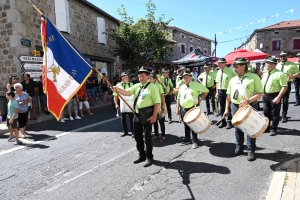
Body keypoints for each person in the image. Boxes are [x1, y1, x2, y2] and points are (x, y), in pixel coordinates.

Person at [111, 67, 160, 167]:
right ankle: (141, 155)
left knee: (147, 138)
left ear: (148, 76)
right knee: (138, 137)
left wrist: (154, 115)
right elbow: (127, 93)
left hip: (147, 115)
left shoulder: (152, 87)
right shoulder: (137, 86)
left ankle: (149, 157)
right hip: (137, 115)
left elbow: (157, 103)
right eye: (139, 76)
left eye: (143, 76)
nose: (141, 77)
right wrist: (117, 90)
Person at [224, 57, 263, 161]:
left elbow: (260, 93)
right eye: (233, 67)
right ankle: (239, 148)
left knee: (250, 128)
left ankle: (251, 150)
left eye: (236, 67)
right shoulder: (233, 79)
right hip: (235, 105)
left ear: (243, 66)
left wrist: (248, 101)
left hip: (249, 106)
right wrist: (226, 109)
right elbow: (228, 95)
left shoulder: (254, 77)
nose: (234, 69)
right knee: (237, 128)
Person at [176, 72, 209, 149]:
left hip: (192, 108)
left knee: (193, 125)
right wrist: (177, 108)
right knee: (186, 124)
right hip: (183, 109)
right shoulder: (181, 87)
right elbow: (178, 98)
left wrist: (200, 98)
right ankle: (187, 138)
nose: (185, 79)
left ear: (190, 77)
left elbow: (206, 91)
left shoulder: (196, 85)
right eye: (184, 77)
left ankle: (194, 141)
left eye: (187, 77)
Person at [261, 56, 288, 136]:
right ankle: (267, 127)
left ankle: (274, 128)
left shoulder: (279, 74)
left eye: (267, 63)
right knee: (266, 112)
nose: (265, 64)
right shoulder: (265, 73)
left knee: (275, 113)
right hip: (265, 95)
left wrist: (278, 97)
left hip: (274, 95)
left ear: (273, 65)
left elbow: (284, 86)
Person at [276, 51, 300, 122]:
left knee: (285, 100)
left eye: (284, 56)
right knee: (277, 99)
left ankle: (284, 115)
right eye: (281, 56)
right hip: (278, 84)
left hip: (287, 84)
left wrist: (292, 76)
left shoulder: (292, 64)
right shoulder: (277, 65)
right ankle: (276, 115)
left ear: (287, 56)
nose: (282, 57)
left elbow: (298, 73)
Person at [215, 58, 236, 129]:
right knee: (222, 107)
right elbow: (217, 82)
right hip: (221, 90)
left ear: (224, 63)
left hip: (229, 90)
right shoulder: (218, 72)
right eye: (218, 63)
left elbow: (237, 78)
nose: (218, 65)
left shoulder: (231, 70)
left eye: (220, 63)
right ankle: (222, 121)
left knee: (229, 107)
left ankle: (229, 122)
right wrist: (217, 92)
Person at [113, 72, 134, 137]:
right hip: (122, 104)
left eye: (127, 77)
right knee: (123, 119)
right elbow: (115, 95)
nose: (126, 78)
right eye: (124, 77)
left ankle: (133, 132)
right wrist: (116, 104)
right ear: (121, 78)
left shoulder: (131, 84)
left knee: (132, 119)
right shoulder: (118, 85)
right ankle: (125, 132)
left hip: (130, 104)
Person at [150, 73, 166, 142]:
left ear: (154, 79)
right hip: (152, 106)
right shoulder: (149, 86)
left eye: (150, 78)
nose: (149, 80)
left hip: (159, 105)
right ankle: (156, 134)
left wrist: (163, 105)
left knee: (161, 121)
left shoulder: (158, 85)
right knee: (154, 121)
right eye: (148, 78)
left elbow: (162, 96)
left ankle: (163, 135)